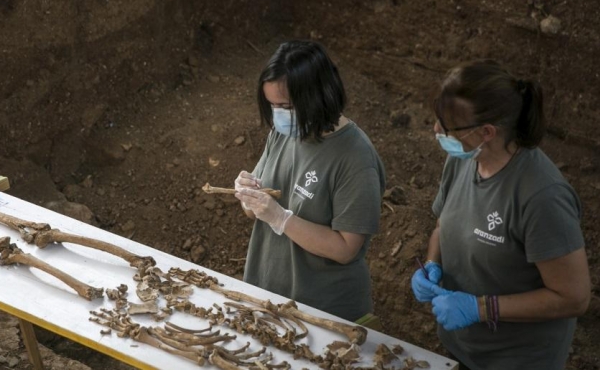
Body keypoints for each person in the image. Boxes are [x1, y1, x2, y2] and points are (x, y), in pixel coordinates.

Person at [411, 60, 590, 370]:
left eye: (446, 124)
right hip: (464, 346)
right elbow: (443, 224)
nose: (436, 130)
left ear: (487, 132)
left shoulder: (541, 197)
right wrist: (431, 263)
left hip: (516, 358)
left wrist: (481, 308)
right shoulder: (464, 159)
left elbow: (573, 297)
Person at [234, 40, 385, 324]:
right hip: (268, 296)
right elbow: (255, 210)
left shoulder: (355, 158)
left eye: (285, 106)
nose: (278, 115)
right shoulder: (284, 132)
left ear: (319, 96)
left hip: (324, 312)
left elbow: (345, 249)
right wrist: (248, 194)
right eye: (272, 105)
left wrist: (281, 218)